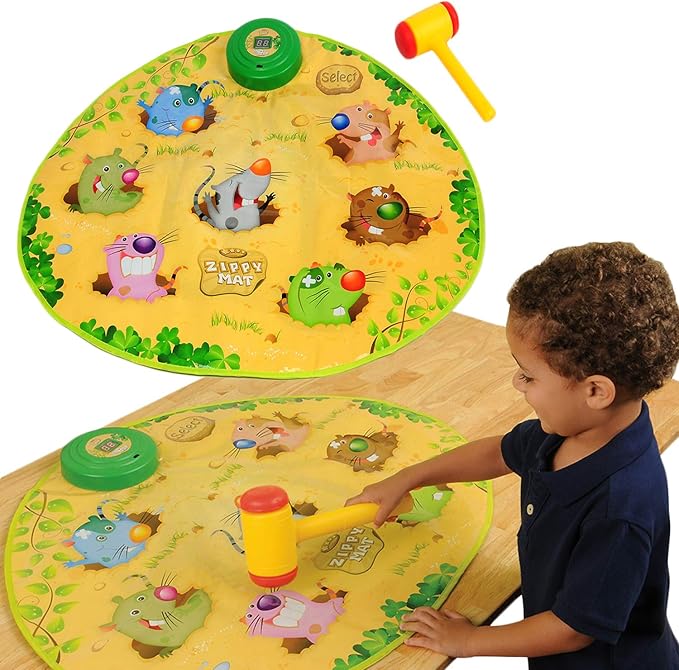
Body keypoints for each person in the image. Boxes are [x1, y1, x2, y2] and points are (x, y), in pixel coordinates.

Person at [345, 242, 679, 668]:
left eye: (528, 375)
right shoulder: (567, 431)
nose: (517, 384)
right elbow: (498, 453)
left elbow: (572, 629)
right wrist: (407, 477)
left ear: (596, 391)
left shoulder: (621, 510)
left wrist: (469, 641)